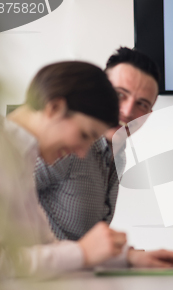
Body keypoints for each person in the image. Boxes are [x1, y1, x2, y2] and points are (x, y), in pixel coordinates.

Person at [0, 61, 173, 281]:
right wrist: (82, 253)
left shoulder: (20, 156)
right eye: (84, 135)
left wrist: (127, 258)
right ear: (54, 108)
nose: (83, 153)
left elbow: (45, 245)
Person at [34, 47, 160, 241]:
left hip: (81, 270)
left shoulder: (118, 154)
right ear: (101, 92)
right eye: (120, 95)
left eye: (142, 104)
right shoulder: (69, 143)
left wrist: (125, 258)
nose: (127, 111)